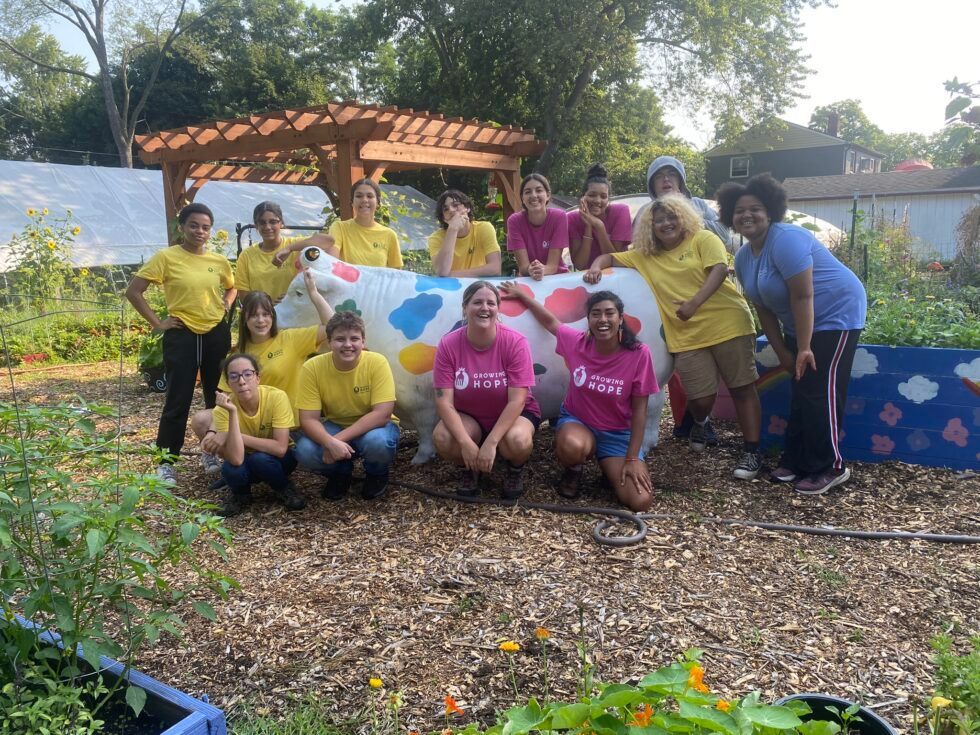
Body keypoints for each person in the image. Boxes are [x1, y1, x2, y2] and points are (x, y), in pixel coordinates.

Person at [586, 194, 764, 480]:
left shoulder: (703, 239)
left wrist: (694, 303)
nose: (666, 223)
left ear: (684, 218)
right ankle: (701, 421)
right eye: (659, 220)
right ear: (651, 227)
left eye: (672, 217)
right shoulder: (646, 256)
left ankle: (752, 451)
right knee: (700, 398)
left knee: (742, 387)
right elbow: (609, 257)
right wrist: (596, 266)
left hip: (727, 322)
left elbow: (719, 270)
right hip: (686, 334)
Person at [718, 173, 867, 495]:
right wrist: (786, 353)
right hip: (800, 322)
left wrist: (803, 347)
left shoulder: (786, 239)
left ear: (770, 211)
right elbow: (763, 309)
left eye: (755, 208)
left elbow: (803, 296)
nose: (747, 215)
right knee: (801, 388)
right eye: (739, 210)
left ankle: (830, 466)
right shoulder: (744, 257)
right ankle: (798, 459)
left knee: (820, 389)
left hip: (837, 314)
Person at [499, 286, 658, 512]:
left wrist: (632, 458)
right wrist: (524, 296)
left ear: (620, 318)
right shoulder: (578, 343)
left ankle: (608, 469)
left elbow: (641, 410)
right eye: (596, 314)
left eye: (609, 313)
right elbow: (551, 322)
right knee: (572, 446)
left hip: (617, 434)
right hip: (579, 423)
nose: (603, 319)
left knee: (640, 502)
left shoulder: (639, 354)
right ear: (588, 319)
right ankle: (574, 470)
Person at [125, 202, 235, 483]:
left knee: (218, 397)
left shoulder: (218, 261)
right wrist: (157, 323)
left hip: (215, 332)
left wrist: (226, 302)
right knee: (178, 398)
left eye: (206, 227)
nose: (200, 231)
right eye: (194, 225)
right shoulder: (166, 257)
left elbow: (232, 286)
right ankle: (166, 461)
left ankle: (213, 452)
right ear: (182, 227)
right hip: (182, 333)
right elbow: (134, 291)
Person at [191, 268, 333, 475]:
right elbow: (224, 398)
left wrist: (313, 293)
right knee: (201, 419)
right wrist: (215, 431)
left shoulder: (290, 339)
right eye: (254, 315)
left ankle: (258, 461)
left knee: (313, 456)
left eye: (266, 314)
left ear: (273, 317)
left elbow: (333, 327)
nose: (260, 320)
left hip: (286, 424)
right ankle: (235, 462)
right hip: (250, 421)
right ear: (245, 319)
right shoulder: (238, 353)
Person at [634, 155, 730, 444]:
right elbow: (639, 248)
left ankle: (700, 419)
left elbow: (724, 237)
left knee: (707, 364)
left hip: (706, 293)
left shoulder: (699, 205)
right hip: (665, 296)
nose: (666, 180)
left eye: (670, 174)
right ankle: (684, 419)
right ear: (652, 184)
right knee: (672, 363)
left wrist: (687, 218)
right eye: (659, 176)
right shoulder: (645, 211)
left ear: (681, 180)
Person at [432, 281, 540, 498]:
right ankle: (469, 466)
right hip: (470, 416)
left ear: (498, 309)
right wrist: (464, 442)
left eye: (491, 303)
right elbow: (444, 401)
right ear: (465, 307)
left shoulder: (515, 342)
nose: (485, 308)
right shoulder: (448, 344)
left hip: (514, 413)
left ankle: (514, 469)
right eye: (477, 302)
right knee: (443, 437)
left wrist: (491, 442)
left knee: (517, 441)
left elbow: (517, 400)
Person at [294, 311, 400, 500]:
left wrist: (334, 442)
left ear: (363, 341)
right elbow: (308, 419)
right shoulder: (312, 367)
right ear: (329, 342)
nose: (348, 345)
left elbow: (383, 414)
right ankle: (340, 473)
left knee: (377, 442)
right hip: (336, 423)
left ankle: (376, 474)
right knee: (304, 450)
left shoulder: (377, 362)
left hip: (374, 427)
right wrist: (329, 441)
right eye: (340, 339)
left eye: (354, 339)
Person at [202, 354, 302, 517]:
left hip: (278, 460)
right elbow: (236, 459)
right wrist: (233, 412)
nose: (241, 381)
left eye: (247, 374)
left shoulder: (276, 397)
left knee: (260, 459)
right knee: (230, 469)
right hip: (245, 459)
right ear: (228, 384)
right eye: (234, 377)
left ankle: (284, 488)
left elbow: (280, 448)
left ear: (257, 378)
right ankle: (241, 495)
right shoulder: (222, 410)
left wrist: (234, 436)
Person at [276, 178, 402, 269]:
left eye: (370, 196)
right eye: (359, 196)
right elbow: (332, 263)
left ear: (378, 203)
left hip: (377, 299)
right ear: (352, 202)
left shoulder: (389, 235)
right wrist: (290, 249)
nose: (364, 200)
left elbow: (396, 276)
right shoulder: (340, 227)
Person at [235, 201, 335, 303]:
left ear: (281, 223)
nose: (267, 227)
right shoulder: (246, 256)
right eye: (262, 222)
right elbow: (244, 298)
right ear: (256, 225)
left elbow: (328, 241)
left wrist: (289, 248)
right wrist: (268, 306)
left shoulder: (295, 245)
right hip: (264, 316)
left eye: (273, 222)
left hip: (295, 313)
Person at [567, 164, 632, 270]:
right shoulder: (572, 219)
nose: (597, 201)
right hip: (588, 280)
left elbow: (616, 260)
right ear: (582, 197)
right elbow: (580, 265)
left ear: (608, 199)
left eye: (603, 196)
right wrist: (588, 227)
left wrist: (599, 226)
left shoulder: (621, 211)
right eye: (592, 195)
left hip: (617, 277)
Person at [506, 173, 568, 280]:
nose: (533, 195)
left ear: (548, 195)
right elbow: (523, 268)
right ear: (522, 198)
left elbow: (552, 267)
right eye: (528, 192)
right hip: (529, 279)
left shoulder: (559, 217)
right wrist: (531, 270)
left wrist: (540, 270)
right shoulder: (514, 221)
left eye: (539, 190)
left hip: (557, 278)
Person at [428, 189, 502, 277]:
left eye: (455, 205)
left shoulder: (484, 228)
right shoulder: (436, 238)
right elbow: (442, 271)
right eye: (445, 209)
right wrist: (452, 229)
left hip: (480, 286)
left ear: (467, 208)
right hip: (451, 288)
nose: (451, 210)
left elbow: (495, 269)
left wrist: (451, 275)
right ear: (444, 218)